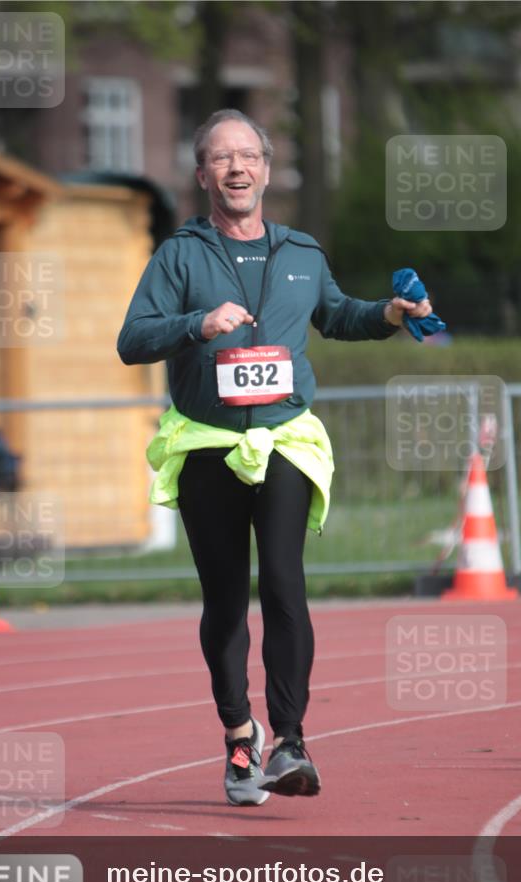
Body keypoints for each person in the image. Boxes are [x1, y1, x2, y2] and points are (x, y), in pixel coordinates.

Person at [117, 109, 432, 805]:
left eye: (248, 156)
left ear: (264, 168)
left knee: (284, 582)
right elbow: (132, 340)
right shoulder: (179, 255)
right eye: (222, 158)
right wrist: (196, 323)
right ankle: (239, 734)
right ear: (203, 175)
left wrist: (387, 314)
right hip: (208, 441)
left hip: (285, 438)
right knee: (226, 600)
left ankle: (290, 740)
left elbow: (336, 315)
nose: (237, 168)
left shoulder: (301, 252)